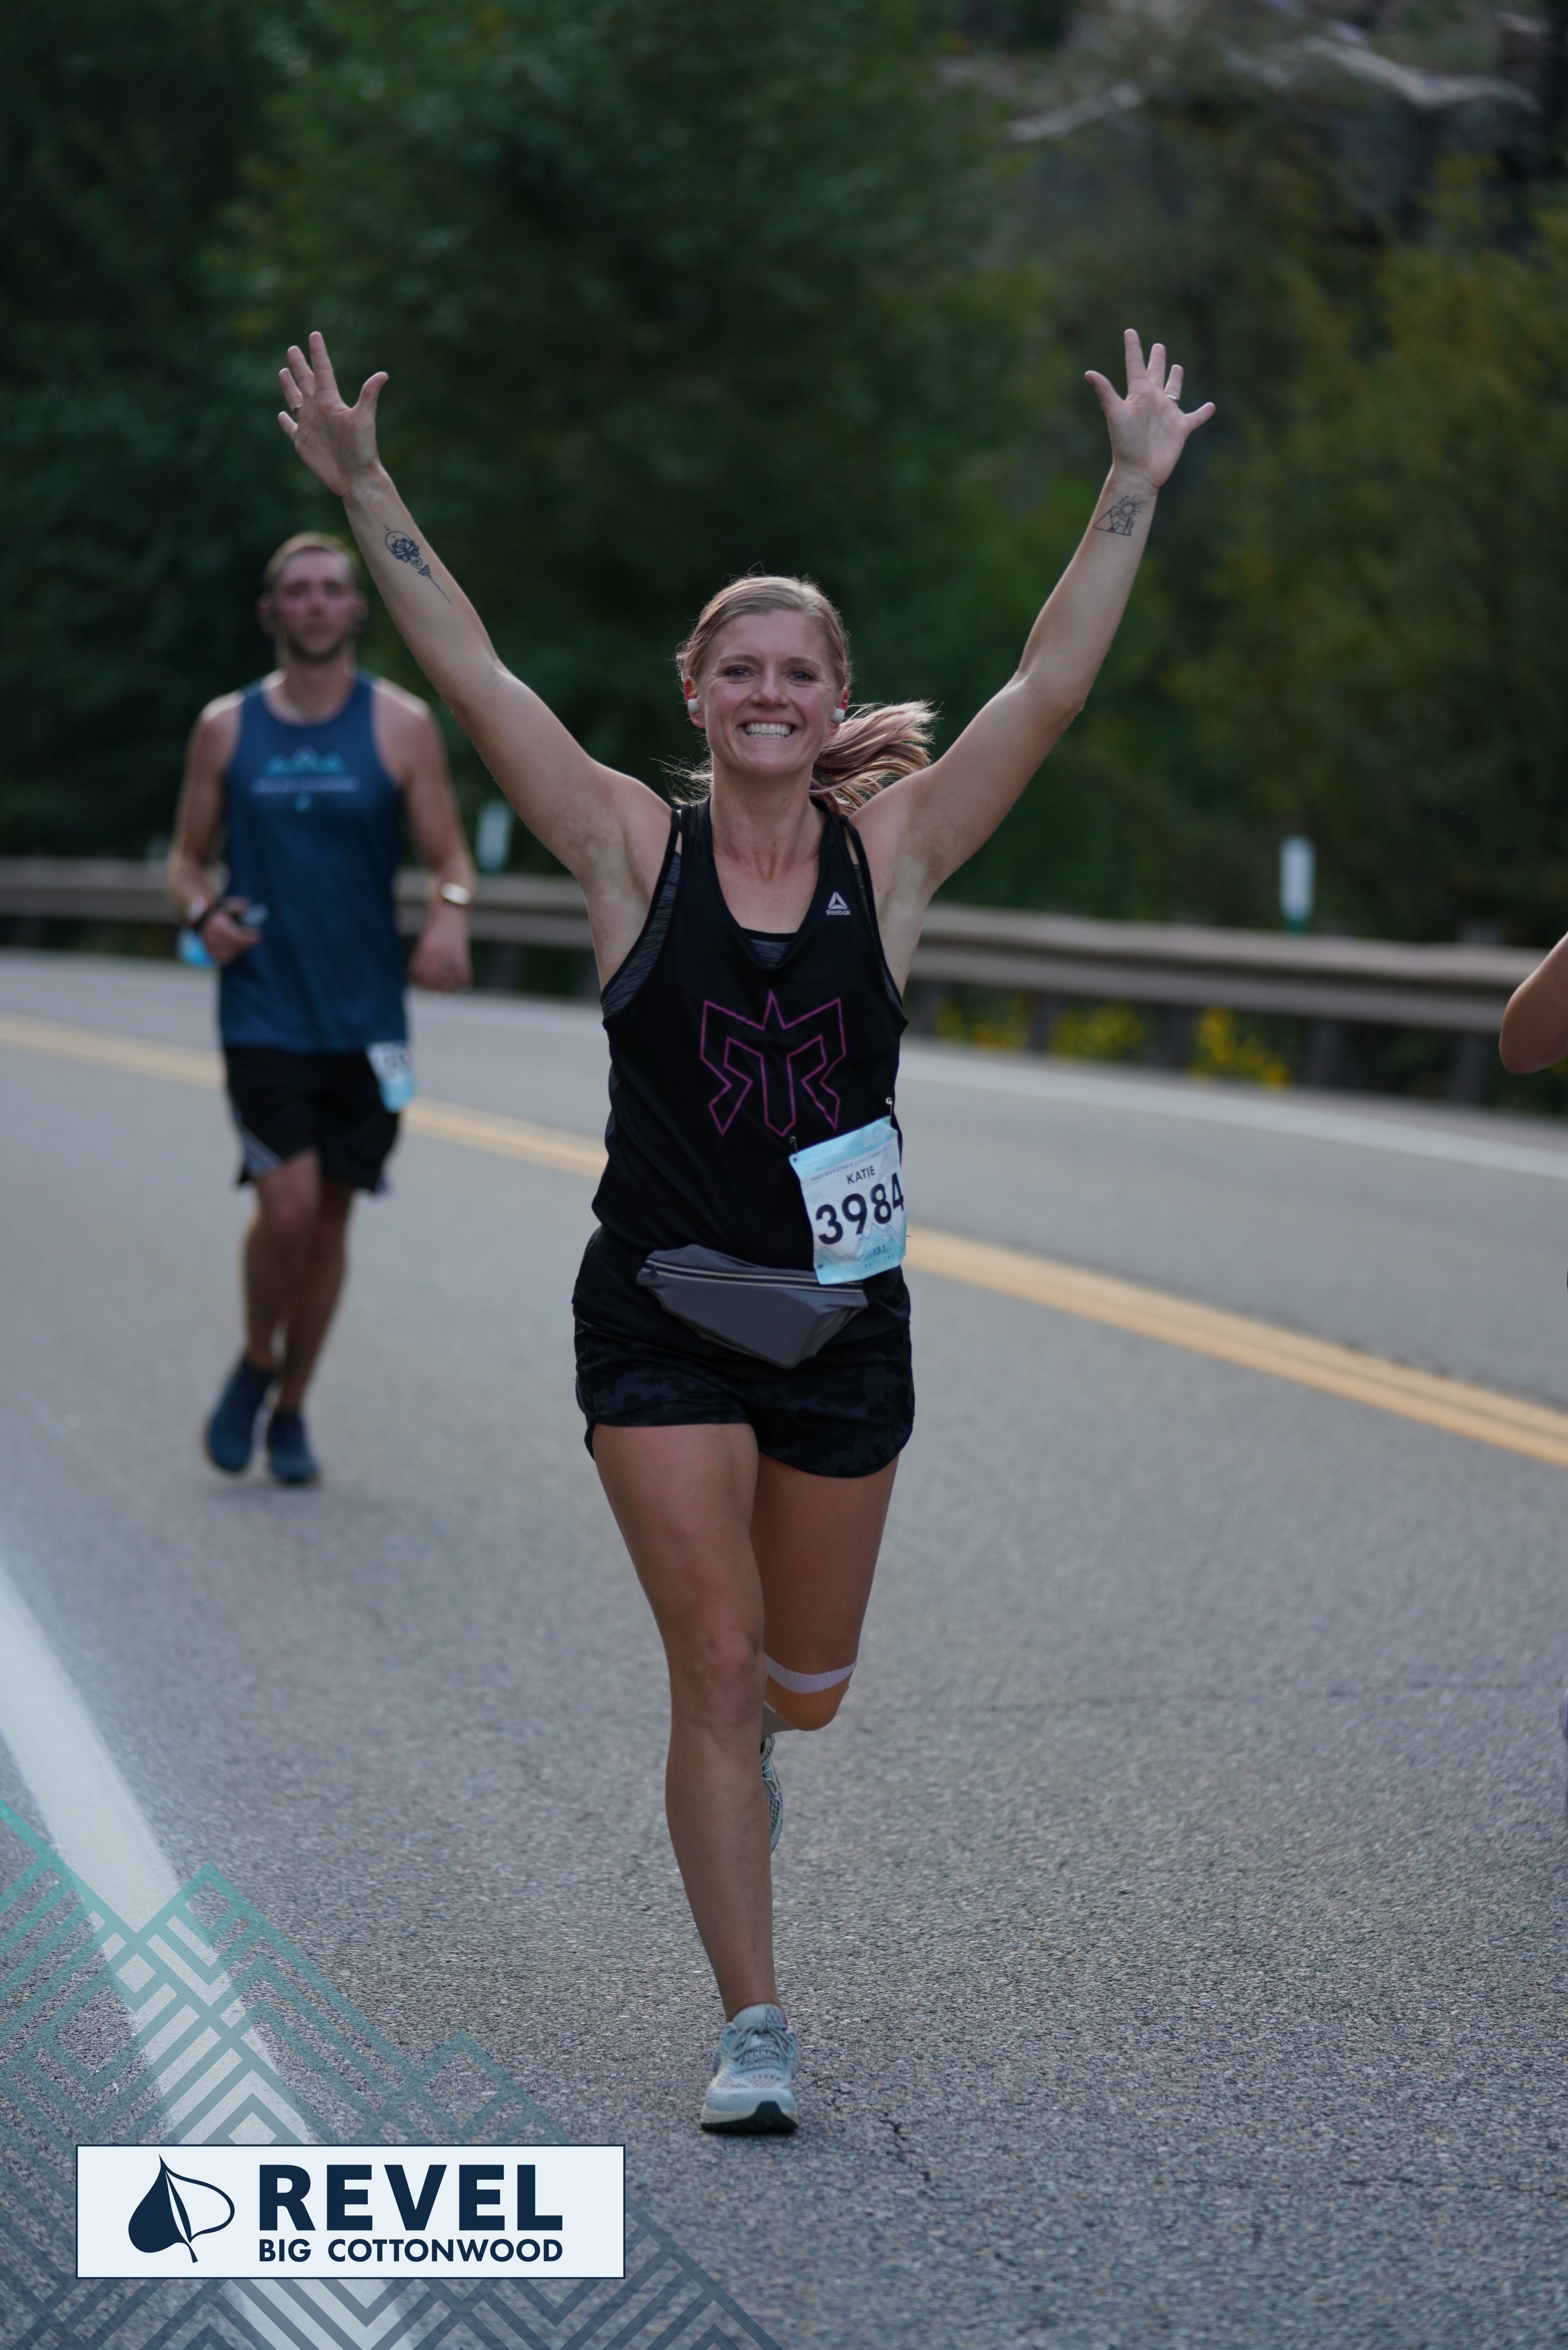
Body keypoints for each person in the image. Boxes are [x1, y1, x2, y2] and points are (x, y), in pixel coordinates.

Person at [275, 324, 1212, 2126]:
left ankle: (762, 1747)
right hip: (662, 1306)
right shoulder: (630, 849)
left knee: (805, 1685)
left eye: (798, 670)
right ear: (697, 694)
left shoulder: (894, 856)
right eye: (739, 670)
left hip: (841, 1326)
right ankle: (753, 2019)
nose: (769, 692)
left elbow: (1045, 690)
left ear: (830, 692)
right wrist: (366, 484)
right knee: (711, 1665)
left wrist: (1127, 484)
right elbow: (474, 676)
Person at [168, 531, 477, 1486]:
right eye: (296, 590)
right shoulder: (226, 728)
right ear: (272, 612)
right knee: (290, 1208)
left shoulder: (402, 726)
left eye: (330, 588)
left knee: (333, 1222)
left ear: (355, 608)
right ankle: (258, 1357)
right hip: (263, 1008)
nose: (314, 603)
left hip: (368, 1020)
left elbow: (450, 860)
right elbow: (185, 862)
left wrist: (449, 918)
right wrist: (200, 914)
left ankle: (293, 1409)